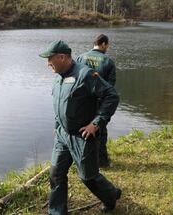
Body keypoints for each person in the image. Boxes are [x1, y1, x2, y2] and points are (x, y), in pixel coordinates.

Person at [39, 40, 121, 214]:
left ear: (62, 57)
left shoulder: (85, 75)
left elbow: (111, 96)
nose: (47, 64)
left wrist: (96, 123)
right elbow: (59, 104)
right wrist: (57, 124)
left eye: (50, 59)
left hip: (82, 136)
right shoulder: (58, 78)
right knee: (56, 174)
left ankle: (111, 195)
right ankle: (57, 212)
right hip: (62, 135)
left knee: (88, 177)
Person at [76, 34, 116, 167]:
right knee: (100, 130)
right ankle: (102, 162)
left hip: (82, 102)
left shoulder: (80, 58)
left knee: (82, 129)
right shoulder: (108, 61)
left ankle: (81, 159)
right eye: (107, 45)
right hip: (99, 102)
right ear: (103, 44)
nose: (107, 48)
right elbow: (110, 88)